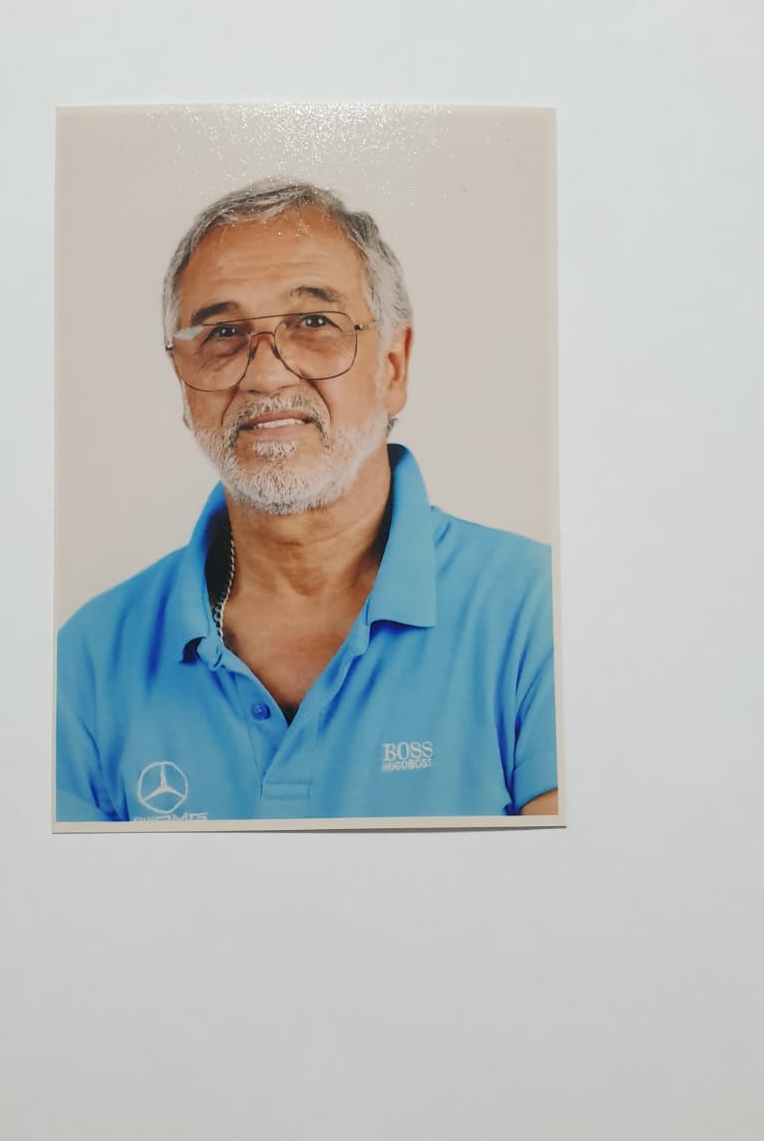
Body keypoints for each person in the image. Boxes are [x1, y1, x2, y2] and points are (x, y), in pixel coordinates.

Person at [55, 180, 558, 823]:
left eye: (314, 323)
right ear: (183, 383)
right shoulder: (89, 659)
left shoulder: (540, 615)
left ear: (394, 366)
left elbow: (571, 881)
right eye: (223, 332)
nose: (266, 375)